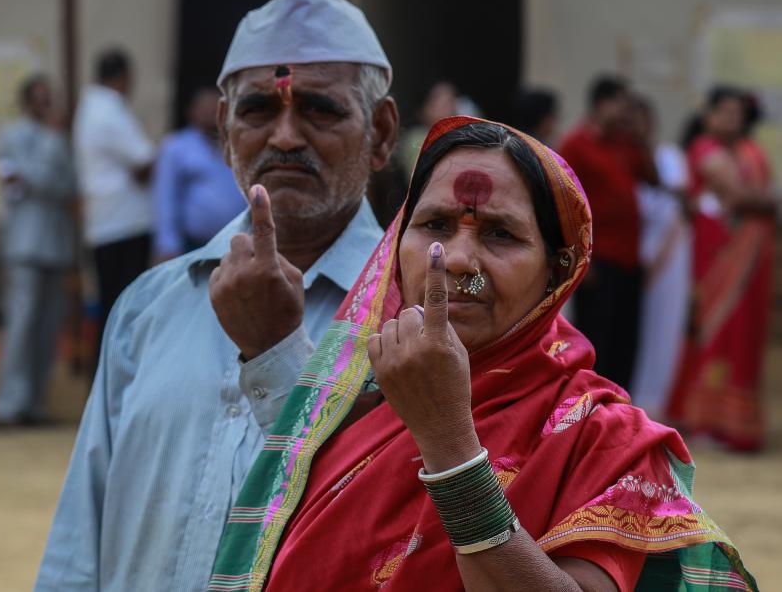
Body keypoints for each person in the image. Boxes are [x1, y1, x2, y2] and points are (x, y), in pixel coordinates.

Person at [209, 117, 756, 592]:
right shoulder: (362, 398)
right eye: (435, 225)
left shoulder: (604, 439)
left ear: (558, 271)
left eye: (500, 234)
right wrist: (270, 344)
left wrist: (449, 443)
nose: (458, 261)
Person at [36, 0, 398, 591]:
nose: (285, 137)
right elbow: (80, 540)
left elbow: (399, 517)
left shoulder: (420, 317)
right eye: (259, 110)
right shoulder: (149, 307)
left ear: (381, 134)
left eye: (320, 110)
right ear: (225, 132)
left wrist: (278, 350)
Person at [667, 87, 777, 451]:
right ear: (709, 116)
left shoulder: (749, 152)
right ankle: (706, 421)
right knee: (717, 329)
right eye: (725, 112)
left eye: (738, 113)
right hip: (717, 258)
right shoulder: (705, 149)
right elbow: (737, 196)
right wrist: (771, 201)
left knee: (746, 333)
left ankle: (739, 427)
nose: (733, 119)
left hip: (753, 258)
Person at [0, 75, 78, 427]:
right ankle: (7, 404)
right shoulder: (14, 136)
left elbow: (68, 185)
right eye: (39, 98)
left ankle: (34, 403)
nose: (45, 104)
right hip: (24, 243)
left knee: (47, 328)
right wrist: (39, 175)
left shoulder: (59, 139)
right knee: (21, 324)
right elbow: (19, 181)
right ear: (26, 101)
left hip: (55, 241)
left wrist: (33, 177)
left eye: (48, 98)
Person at [559, 75, 656, 388]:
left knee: (626, 342)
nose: (626, 111)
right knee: (598, 338)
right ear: (602, 104)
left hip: (629, 260)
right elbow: (564, 201)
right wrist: (580, 259)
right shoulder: (576, 144)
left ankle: (620, 404)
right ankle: (592, 402)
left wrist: (642, 139)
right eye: (621, 103)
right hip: (598, 262)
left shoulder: (625, 144)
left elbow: (653, 179)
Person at [73, 48, 154, 344]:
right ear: (125, 77)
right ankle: (113, 370)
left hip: (104, 221)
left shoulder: (88, 108)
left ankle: (104, 368)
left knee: (110, 304)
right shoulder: (110, 109)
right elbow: (143, 161)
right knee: (124, 308)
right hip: (124, 222)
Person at [626, 97, 690, 416]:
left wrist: (659, 259)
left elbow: (676, 210)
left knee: (662, 326)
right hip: (628, 258)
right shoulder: (621, 161)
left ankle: (653, 399)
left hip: (668, 257)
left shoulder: (668, 158)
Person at [152, 86, 245, 261]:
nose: (211, 113)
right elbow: (166, 198)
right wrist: (167, 245)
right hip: (193, 247)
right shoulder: (176, 146)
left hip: (236, 246)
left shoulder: (237, 144)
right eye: (205, 108)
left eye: (215, 108)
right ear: (191, 112)